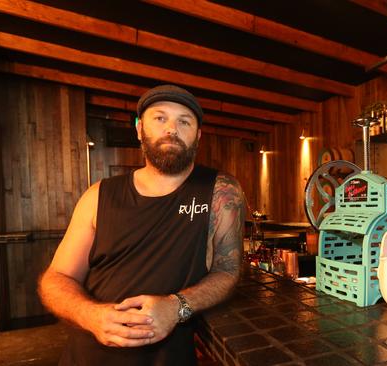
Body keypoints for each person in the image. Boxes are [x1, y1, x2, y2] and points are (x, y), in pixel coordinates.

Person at [38, 84, 245, 365]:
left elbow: (229, 270)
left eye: (184, 121)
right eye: (160, 118)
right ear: (139, 129)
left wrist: (176, 306)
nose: (171, 129)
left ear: (197, 135)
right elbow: (57, 278)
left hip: (170, 356)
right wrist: (92, 315)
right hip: (89, 355)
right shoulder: (99, 195)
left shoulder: (221, 190)